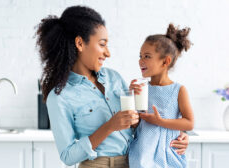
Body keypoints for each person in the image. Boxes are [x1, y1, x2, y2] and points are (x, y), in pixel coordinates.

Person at [35, 5, 190, 168]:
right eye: (102, 44)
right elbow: (67, 156)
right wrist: (109, 126)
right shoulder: (60, 96)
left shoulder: (113, 78)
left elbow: (137, 127)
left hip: (132, 161)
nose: (108, 53)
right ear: (80, 43)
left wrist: (177, 136)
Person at [128, 24, 194, 168]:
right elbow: (135, 124)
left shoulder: (178, 90)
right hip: (141, 154)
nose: (141, 61)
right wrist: (130, 98)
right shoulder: (142, 88)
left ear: (165, 61)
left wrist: (160, 121)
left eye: (147, 56)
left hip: (167, 155)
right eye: (140, 56)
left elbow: (189, 123)